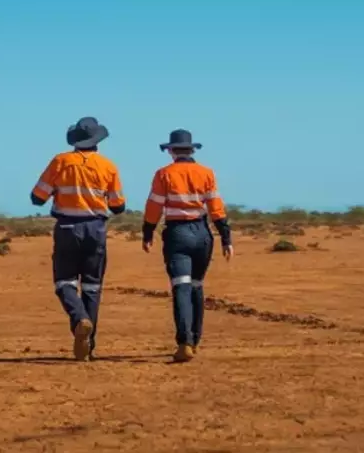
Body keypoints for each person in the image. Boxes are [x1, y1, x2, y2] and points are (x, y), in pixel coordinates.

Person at [30, 117, 127, 361]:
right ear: (97, 141)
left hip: (67, 228)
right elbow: (118, 206)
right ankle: (88, 346)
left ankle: (78, 319)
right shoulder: (108, 166)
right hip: (96, 229)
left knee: (64, 282)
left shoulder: (60, 162)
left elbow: (37, 198)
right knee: (92, 287)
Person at [141, 129, 233, 363]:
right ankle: (194, 339)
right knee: (196, 286)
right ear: (191, 150)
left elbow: (154, 207)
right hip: (203, 234)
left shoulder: (163, 174)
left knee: (181, 287)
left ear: (171, 151)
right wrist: (226, 237)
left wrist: (148, 232)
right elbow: (216, 207)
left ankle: (185, 341)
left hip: (177, 233)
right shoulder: (207, 173)